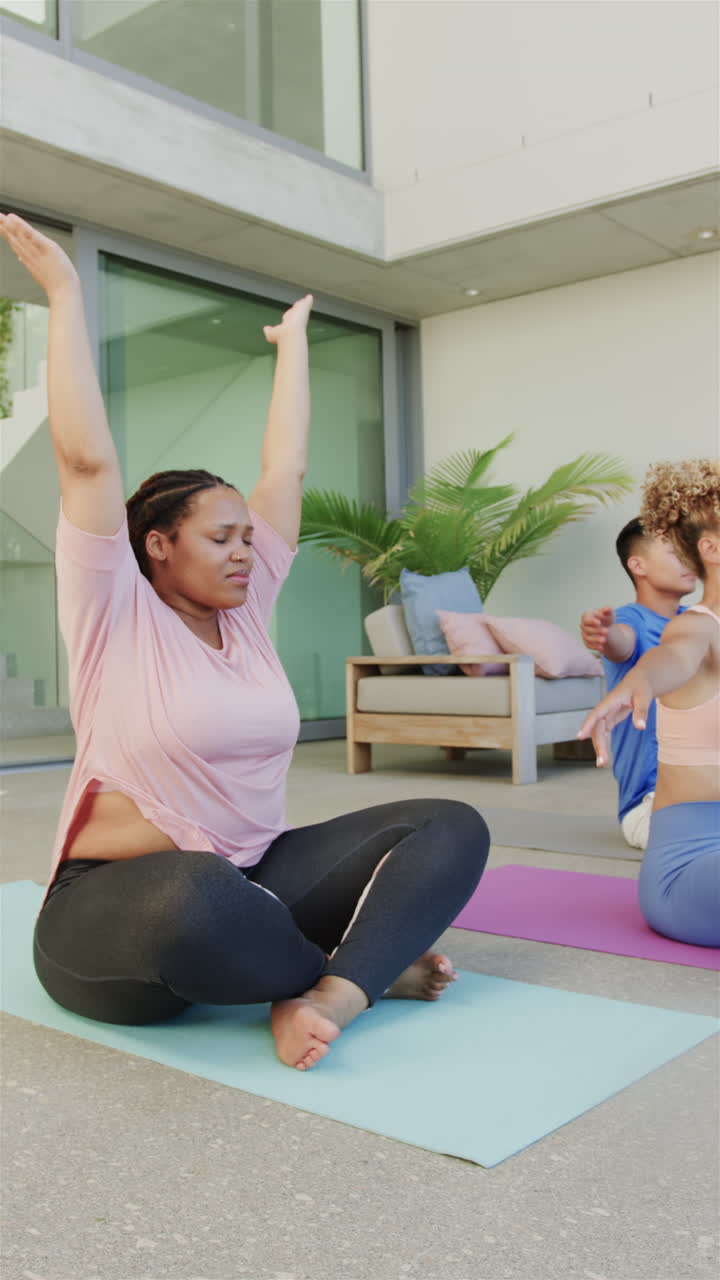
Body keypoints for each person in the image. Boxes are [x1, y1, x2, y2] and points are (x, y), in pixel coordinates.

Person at [0, 212, 490, 1069]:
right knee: (197, 897)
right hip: (114, 917)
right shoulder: (113, 608)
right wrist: (65, 293)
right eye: (219, 537)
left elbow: (284, 470)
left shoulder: (248, 608)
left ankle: (331, 990)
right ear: (158, 546)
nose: (245, 551)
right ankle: (337, 966)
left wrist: (291, 344)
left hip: (255, 877)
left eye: (246, 537)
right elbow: (85, 463)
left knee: (449, 824)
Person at [579, 460, 720, 947]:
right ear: (711, 548)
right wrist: (633, 683)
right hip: (692, 868)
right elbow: (669, 657)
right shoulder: (695, 627)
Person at [580, 518, 695, 849]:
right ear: (638, 565)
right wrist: (602, 635)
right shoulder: (632, 620)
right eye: (676, 552)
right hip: (653, 804)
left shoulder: (697, 624)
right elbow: (621, 642)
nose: (690, 560)